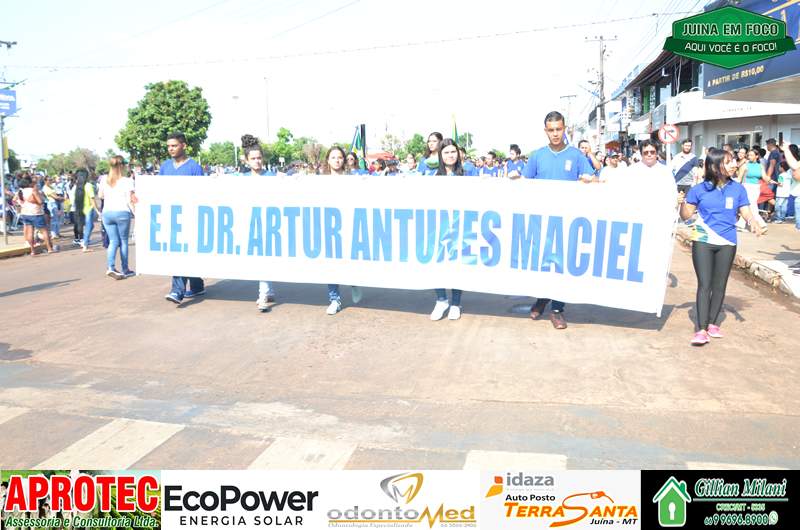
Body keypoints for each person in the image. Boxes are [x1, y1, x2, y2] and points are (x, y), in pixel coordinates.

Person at [680, 148, 762, 346]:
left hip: (727, 242)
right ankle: (701, 330)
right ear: (715, 166)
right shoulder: (699, 189)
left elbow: (745, 211)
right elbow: (686, 215)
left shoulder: (738, 189)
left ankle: (712, 323)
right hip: (703, 239)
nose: (734, 164)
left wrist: (753, 221)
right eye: (728, 161)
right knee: (705, 284)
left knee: (720, 284)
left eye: (733, 161)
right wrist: (682, 204)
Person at [523, 111, 594, 330]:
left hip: (567, 221)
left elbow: (591, 179)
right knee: (542, 263)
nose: (555, 133)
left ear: (565, 129)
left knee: (562, 265)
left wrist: (589, 181)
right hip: (541, 220)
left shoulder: (576, 156)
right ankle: (542, 298)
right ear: (545, 131)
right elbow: (525, 184)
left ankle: (557, 309)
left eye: (559, 129)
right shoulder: (537, 155)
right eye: (551, 130)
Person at [429, 138, 472, 321]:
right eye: (446, 152)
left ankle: (456, 303)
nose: (450, 155)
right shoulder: (433, 177)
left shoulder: (467, 175)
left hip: (461, 227)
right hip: (439, 227)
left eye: (453, 151)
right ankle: (441, 300)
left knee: (457, 265)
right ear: (441, 155)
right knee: (437, 263)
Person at [161, 132, 206, 305]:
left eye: (174, 145)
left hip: (190, 217)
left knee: (183, 253)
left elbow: (202, 194)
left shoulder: (194, 168)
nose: (171, 149)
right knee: (181, 253)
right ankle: (197, 285)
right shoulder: (165, 167)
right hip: (172, 217)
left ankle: (177, 291)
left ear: (183, 146)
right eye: (168, 146)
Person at [321, 146, 362, 315]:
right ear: (328, 160)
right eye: (333, 157)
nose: (337, 160)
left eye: (339, 157)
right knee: (331, 263)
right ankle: (334, 299)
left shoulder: (353, 179)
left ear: (344, 160)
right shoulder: (320, 181)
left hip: (348, 225)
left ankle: (354, 282)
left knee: (349, 260)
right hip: (329, 227)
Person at [242, 134, 277, 312]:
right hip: (251, 222)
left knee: (264, 257)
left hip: (269, 222)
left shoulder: (272, 177)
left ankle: (263, 294)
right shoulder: (241, 178)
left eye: (259, 158)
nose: (257, 161)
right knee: (261, 258)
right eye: (253, 158)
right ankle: (268, 290)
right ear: (246, 160)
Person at [99, 156, 136, 279]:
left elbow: (100, 195)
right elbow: (130, 200)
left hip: (107, 213)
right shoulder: (127, 181)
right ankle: (125, 269)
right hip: (122, 212)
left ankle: (111, 267)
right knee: (124, 241)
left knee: (113, 241)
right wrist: (136, 213)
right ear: (122, 166)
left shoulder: (104, 179)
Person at [18, 176, 56, 255]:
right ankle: (49, 248)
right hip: (36, 213)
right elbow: (40, 202)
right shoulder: (33, 190)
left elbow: (18, 202)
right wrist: (37, 200)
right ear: (29, 183)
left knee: (30, 232)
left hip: (25, 213)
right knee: (44, 231)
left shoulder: (20, 191)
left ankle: (32, 250)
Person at [737, 149, 769, 229]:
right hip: (747, 187)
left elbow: (764, 177)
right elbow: (739, 178)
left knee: (749, 206)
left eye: (751, 155)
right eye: (748, 155)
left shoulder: (760, 166)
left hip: (756, 187)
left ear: (756, 156)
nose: (749, 157)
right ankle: (762, 224)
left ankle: (740, 224)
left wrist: (771, 180)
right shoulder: (745, 165)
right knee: (753, 205)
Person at [81, 173, 102, 251]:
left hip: (83, 208)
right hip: (88, 209)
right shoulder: (89, 186)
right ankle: (85, 245)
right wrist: (97, 210)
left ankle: (85, 241)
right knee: (89, 226)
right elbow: (92, 199)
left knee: (90, 226)